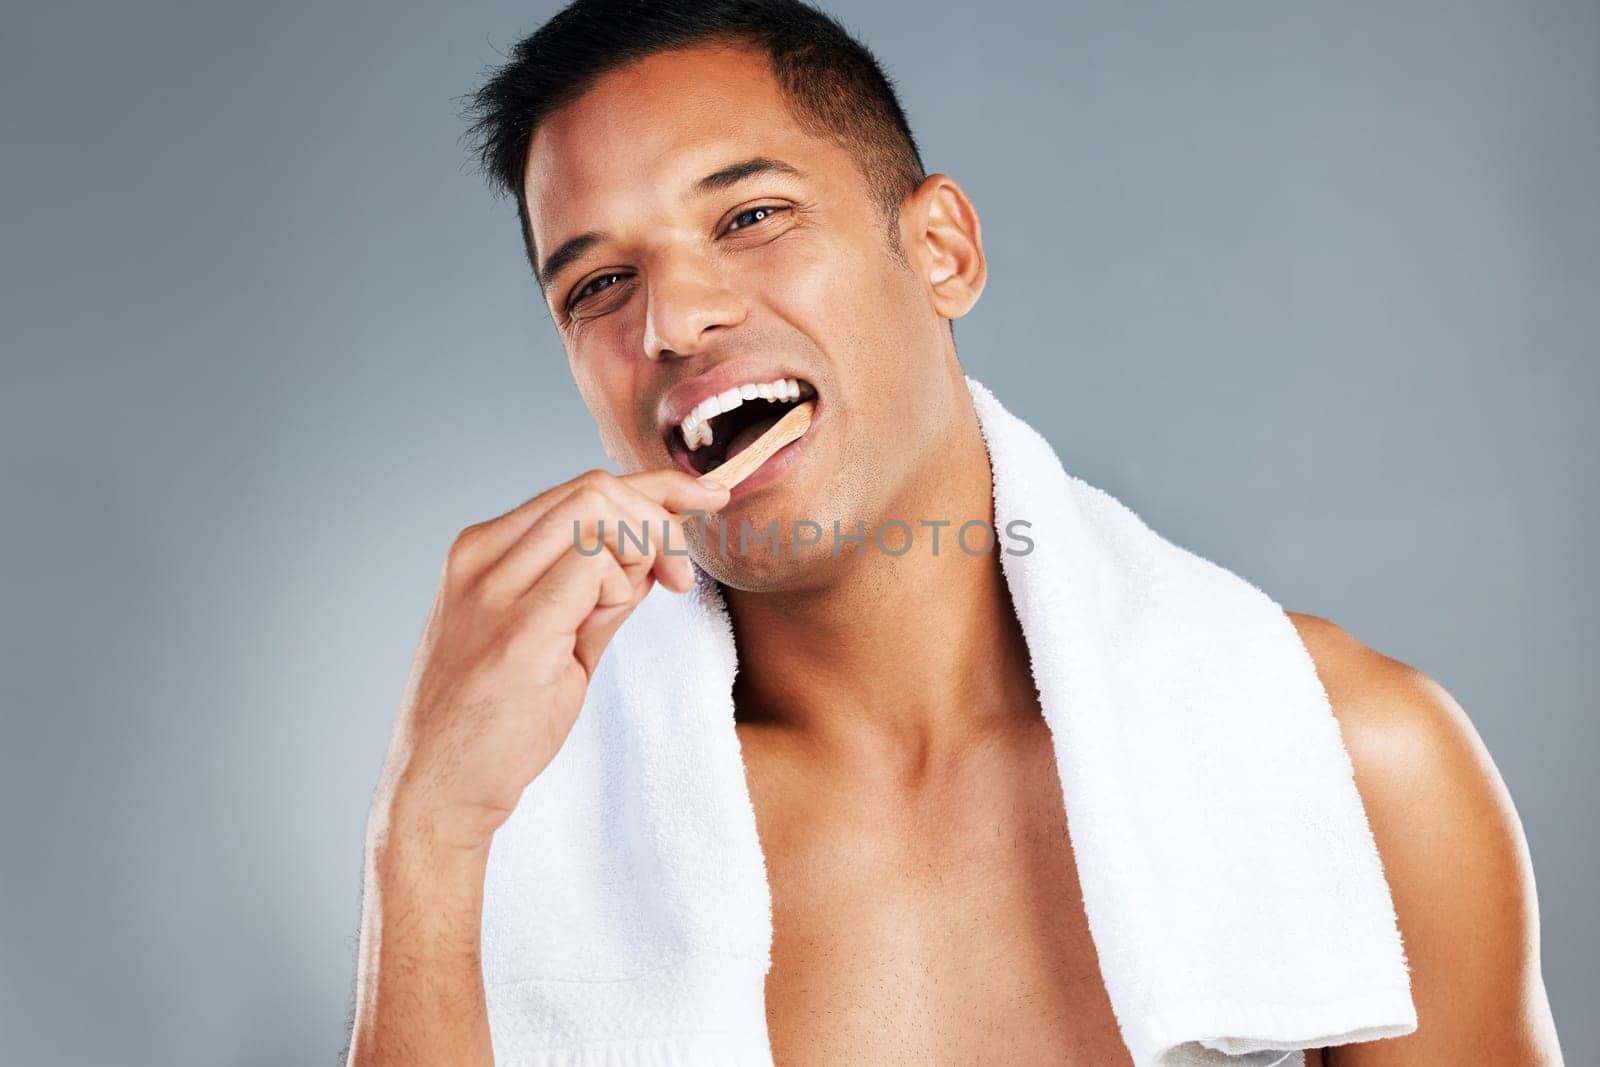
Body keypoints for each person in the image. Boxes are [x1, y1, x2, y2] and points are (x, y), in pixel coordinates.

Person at [344, 2, 1562, 1063]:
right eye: (597, 284)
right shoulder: (512, 833)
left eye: (752, 215)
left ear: (941, 248)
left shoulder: (1356, 758)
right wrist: (425, 829)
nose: (673, 316)